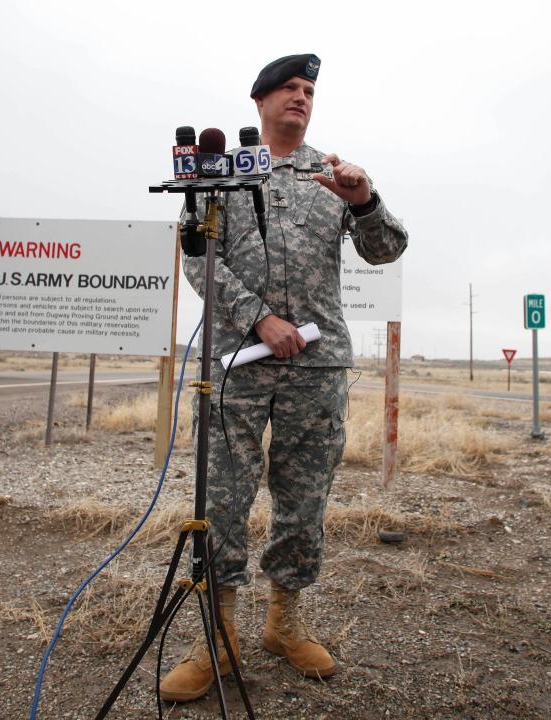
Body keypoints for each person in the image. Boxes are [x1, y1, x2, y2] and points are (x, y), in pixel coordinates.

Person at [161, 53, 408, 702]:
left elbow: (386, 250)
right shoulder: (221, 175)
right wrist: (261, 319)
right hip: (238, 367)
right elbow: (196, 263)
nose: (301, 98)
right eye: (288, 89)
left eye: (309, 90)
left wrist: (366, 200)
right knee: (223, 502)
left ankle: (284, 624)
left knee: (303, 504)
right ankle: (215, 637)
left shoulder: (334, 175)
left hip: (315, 368)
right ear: (260, 101)